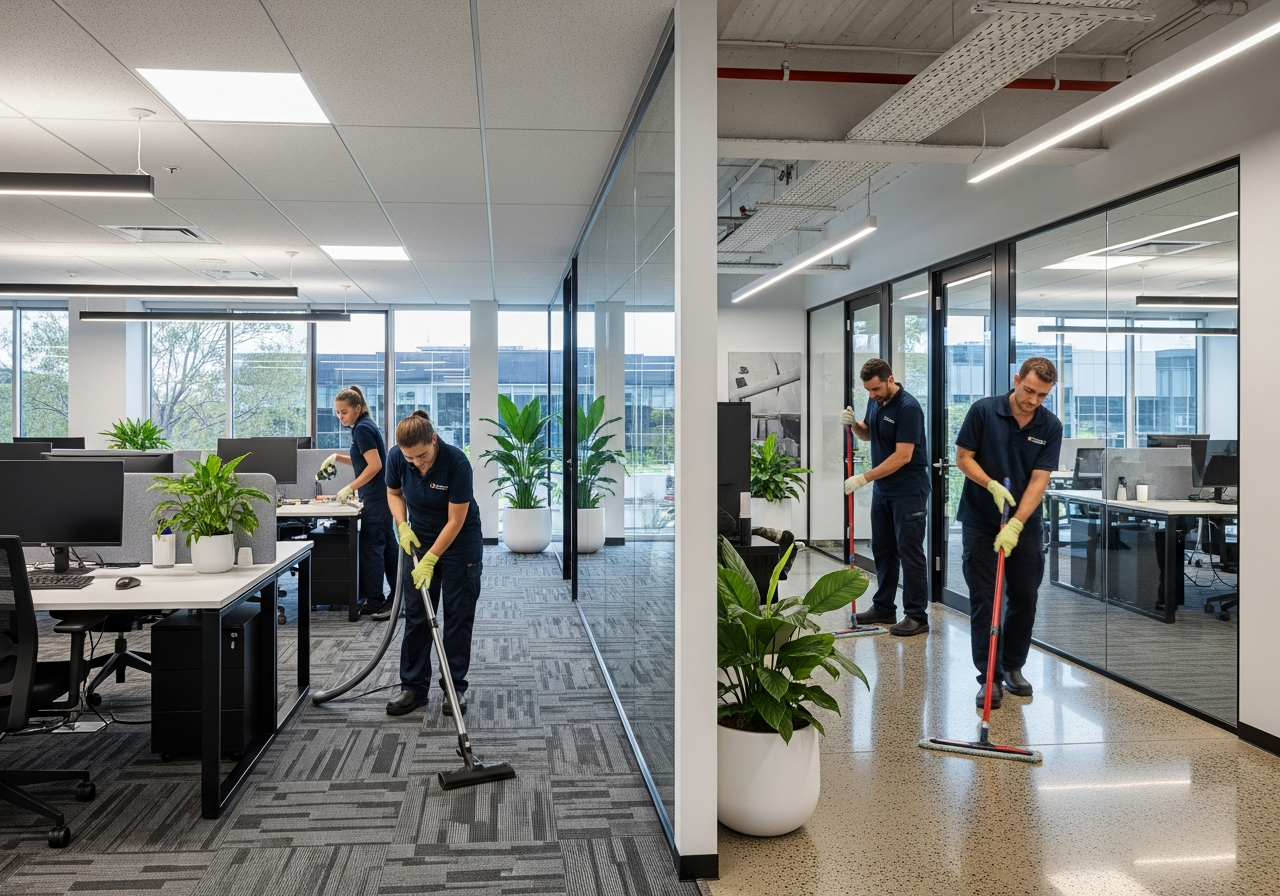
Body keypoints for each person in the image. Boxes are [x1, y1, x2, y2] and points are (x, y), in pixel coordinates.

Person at [954, 357, 1062, 709]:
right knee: (986, 599)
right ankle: (989, 677)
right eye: (1029, 390)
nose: (1033, 400)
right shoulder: (984, 411)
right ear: (1017, 379)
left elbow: (1039, 480)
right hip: (981, 519)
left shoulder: (1050, 425)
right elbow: (963, 457)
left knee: (1024, 597)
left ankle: (1013, 667)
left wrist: (1016, 524)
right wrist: (990, 485)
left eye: (1042, 395)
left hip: (1025, 524)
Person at [383, 410, 484, 717]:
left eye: (423, 456)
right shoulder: (398, 458)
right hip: (419, 539)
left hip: (459, 544)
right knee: (417, 614)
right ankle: (413, 688)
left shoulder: (456, 463)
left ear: (434, 440)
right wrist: (402, 525)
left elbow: (456, 520)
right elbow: (393, 492)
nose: (418, 464)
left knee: (456, 616)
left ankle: (454, 688)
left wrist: (431, 558)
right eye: (410, 458)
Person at [839, 359, 931, 636]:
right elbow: (868, 433)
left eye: (877, 388)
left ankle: (917, 615)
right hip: (883, 490)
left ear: (890, 380)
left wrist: (864, 477)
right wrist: (854, 425)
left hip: (908, 490)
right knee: (883, 550)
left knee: (909, 551)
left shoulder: (908, 408)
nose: (873, 394)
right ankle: (884, 607)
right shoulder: (876, 402)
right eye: (868, 390)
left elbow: (903, 456)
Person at [324, 385, 398, 618]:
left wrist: (350, 487)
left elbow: (375, 465)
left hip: (376, 497)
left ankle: (377, 600)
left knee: (372, 548)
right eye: (337, 412)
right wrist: (337, 458)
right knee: (388, 548)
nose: (340, 416)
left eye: (344, 412)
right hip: (380, 496)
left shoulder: (363, 429)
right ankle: (398, 598)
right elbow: (364, 461)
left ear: (358, 408)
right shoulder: (364, 425)